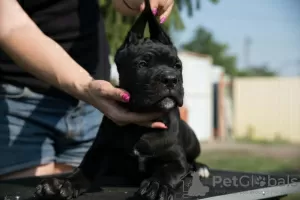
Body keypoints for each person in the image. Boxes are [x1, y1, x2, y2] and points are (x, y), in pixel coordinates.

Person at [0, 0, 174, 180]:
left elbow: (122, 5)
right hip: (21, 103)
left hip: (93, 107)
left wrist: (136, 2)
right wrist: (84, 85)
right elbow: (10, 26)